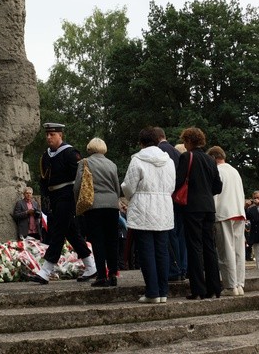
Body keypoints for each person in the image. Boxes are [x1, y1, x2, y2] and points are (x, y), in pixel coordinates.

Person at [29, 122, 96, 284]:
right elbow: (44, 180)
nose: (48, 137)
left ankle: (46, 271)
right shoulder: (46, 155)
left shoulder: (70, 153)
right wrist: (46, 199)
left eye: (52, 134)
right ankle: (91, 266)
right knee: (71, 233)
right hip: (54, 197)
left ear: (60, 135)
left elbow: (80, 178)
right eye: (47, 135)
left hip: (67, 196)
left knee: (58, 232)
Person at [121, 127, 175, 303]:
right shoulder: (168, 161)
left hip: (143, 208)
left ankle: (152, 292)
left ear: (141, 142)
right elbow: (171, 186)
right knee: (162, 251)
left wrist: (133, 197)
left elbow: (128, 186)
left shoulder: (137, 160)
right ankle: (163, 292)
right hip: (164, 209)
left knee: (146, 252)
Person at [177, 127, 223, 300]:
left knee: (194, 247)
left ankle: (198, 289)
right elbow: (218, 187)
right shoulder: (211, 160)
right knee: (209, 246)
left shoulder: (186, 157)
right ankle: (215, 287)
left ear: (188, 141)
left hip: (192, 207)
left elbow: (179, 181)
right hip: (209, 207)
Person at [74, 137, 120, 287]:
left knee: (98, 240)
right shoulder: (112, 164)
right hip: (112, 205)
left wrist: (78, 203)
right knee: (112, 240)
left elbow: (78, 186)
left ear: (89, 148)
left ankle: (101, 275)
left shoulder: (84, 163)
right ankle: (113, 273)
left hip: (94, 205)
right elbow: (116, 187)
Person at [207, 146, 245, 296]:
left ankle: (230, 286)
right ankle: (239, 284)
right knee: (238, 251)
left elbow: (215, 194)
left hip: (224, 213)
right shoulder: (234, 171)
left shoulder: (218, 171)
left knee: (225, 251)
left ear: (213, 158)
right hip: (238, 212)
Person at [153, 127, 186, 283]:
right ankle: (182, 267)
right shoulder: (176, 151)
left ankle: (173, 269)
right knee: (180, 235)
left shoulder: (159, 152)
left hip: (167, 198)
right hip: (180, 199)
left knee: (169, 235)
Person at [246, 190, 259, 269]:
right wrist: (246, 207)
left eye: (258, 197)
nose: (257, 199)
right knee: (258, 258)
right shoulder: (252, 209)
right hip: (256, 236)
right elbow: (245, 216)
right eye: (255, 198)